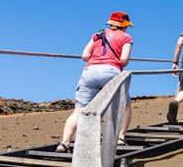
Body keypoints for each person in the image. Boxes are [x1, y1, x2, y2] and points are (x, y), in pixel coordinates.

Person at [57, 11, 134, 153]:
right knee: (125, 106)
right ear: (124, 25)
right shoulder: (126, 37)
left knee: (79, 110)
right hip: (111, 72)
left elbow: (85, 56)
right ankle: (120, 138)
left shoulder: (98, 34)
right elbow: (124, 60)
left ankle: (64, 143)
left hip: (90, 71)